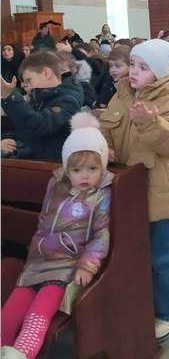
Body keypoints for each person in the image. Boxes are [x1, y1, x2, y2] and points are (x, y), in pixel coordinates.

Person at [1, 112, 112, 359]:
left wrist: (87, 265)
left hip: (67, 266)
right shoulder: (57, 185)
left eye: (93, 169)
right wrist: (35, 249)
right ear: (67, 170)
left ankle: (21, 353)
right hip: (38, 261)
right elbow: (44, 221)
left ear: (103, 166)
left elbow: (101, 235)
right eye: (77, 169)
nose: (85, 175)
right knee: (10, 312)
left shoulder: (101, 194)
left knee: (39, 312)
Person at [99, 39, 169, 340]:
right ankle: (135, 302)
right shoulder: (122, 93)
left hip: (157, 189)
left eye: (143, 67)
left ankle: (168, 311)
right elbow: (107, 128)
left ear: (159, 72)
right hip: (124, 186)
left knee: (163, 255)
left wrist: (151, 122)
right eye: (133, 64)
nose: (134, 71)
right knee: (130, 250)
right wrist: (105, 147)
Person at [1, 51, 82, 160]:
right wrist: (8, 140)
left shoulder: (68, 100)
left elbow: (40, 125)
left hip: (52, 165)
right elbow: (26, 129)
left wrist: (10, 95)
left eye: (29, 80)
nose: (26, 86)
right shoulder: (40, 97)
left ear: (47, 73)